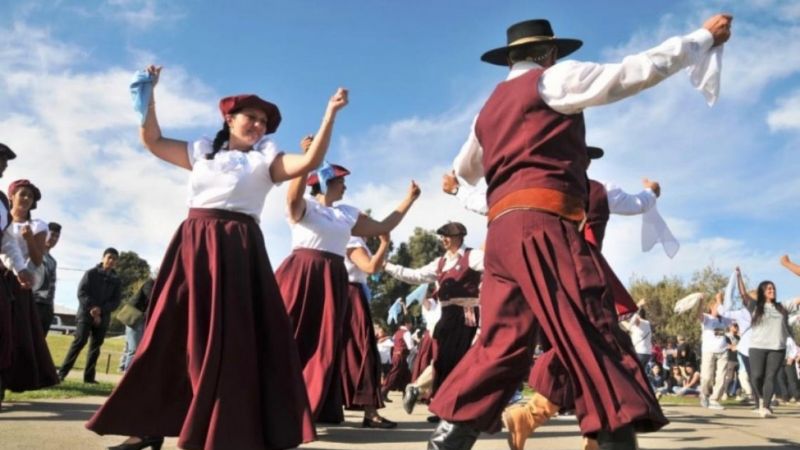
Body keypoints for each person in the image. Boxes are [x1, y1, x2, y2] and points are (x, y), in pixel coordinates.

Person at [428, 14, 732, 450]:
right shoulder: (555, 80)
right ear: (549, 54)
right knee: (592, 330)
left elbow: (465, 169)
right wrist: (701, 40)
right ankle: (615, 441)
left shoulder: (488, 108)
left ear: (510, 58)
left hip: (501, 235)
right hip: (544, 227)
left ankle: (449, 439)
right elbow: (632, 72)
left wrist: (467, 182)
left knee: (502, 341)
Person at [87, 65, 347, 450]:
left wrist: (329, 115)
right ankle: (146, 427)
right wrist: (147, 97)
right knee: (169, 332)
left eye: (264, 121)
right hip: (192, 243)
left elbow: (307, 165)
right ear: (230, 118)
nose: (258, 125)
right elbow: (154, 140)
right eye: (251, 117)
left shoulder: (266, 161)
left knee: (230, 339)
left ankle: (223, 428)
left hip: (239, 249)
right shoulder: (202, 150)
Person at [277, 153, 420, 426]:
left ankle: (308, 409)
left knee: (324, 346)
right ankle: (272, 403)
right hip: (301, 274)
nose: (345, 187)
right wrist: (307, 160)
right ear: (326, 182)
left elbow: (384, 226)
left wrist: (409, 200)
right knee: (289, 338)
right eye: (341, 182)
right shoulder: (306, 206)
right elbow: (291, 200)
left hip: (332, 279)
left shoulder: (346, 214)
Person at [383, 221, 484, 422]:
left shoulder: (473, 256)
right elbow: (415, 275)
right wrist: (386, 265)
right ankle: (441, 405)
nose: (443, 239)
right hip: (447, 316)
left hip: (466, 314)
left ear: (460, 237)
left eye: (447, 235)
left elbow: (496, 266)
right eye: (442, 235)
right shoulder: (440, 262)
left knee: (456, 361)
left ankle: (438, 402)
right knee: (447, 361)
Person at [0, 178, 55, 404]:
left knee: (13, 334)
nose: (25, 199)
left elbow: (38, 258)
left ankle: (2, 384)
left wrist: (29, 238)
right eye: (22, 194)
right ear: (11, 196)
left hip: (20, 283)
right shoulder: (2, 218)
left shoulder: (37, 225)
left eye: (30, 197)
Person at [340, 234, 397, 428]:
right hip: (351, 296)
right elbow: (371, 268)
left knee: (347, 353)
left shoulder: (347, 239)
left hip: (348, 294)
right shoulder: (353, 241)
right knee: (363, 353)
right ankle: (370, 413)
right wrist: (385, 242)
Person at [736, 267, 800, 417]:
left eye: (774, 288)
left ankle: (765, 406)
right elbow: (743, 293)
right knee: (756, 376)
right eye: (769, 288)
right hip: (757, 347)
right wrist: (738, 276)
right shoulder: (755, 306)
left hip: (777, 348)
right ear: (762, 291)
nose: (772, 290)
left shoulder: (783, 306)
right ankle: (760, 399)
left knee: (770, 376)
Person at [58, 247, 121, 383]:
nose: (111, 261)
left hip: (103, 317)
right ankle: (61, 374)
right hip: (86, 314)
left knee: (95, 346)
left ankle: (89, 378)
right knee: (79, 342)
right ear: (103, 258)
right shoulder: (90, 273)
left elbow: (116, 301)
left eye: (114, 259)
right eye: (109, 257)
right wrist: (92, 308)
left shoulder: (116, 280)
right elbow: (82, 292)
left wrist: (101, 311)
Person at [696, 292, 731, 410]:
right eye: (716, 307)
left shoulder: (724, 320)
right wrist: (701, 302)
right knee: (707, 377)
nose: (719, 308)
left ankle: (714, 399)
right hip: (708, 351)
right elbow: (698, 315)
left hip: (723, 351)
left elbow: (730, 325)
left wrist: (720, 301)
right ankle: (704, 395)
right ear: (711, 308)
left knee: (722, 377)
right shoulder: (707, 318)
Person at [118, 277, 154, 372]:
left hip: (136, 318)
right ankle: (128, 372)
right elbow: (152, 298)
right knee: (134, 349)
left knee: (128, 346)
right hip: (135, 318)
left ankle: (123, 367)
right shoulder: (151, 283)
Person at [33, 222, 61, 335]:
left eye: (57, 236)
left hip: (47, 307)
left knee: (40, 342)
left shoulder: (53, 261)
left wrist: (50, 308)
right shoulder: (32, 252)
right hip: (33, 303)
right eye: (52, 234)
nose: (53, 238)